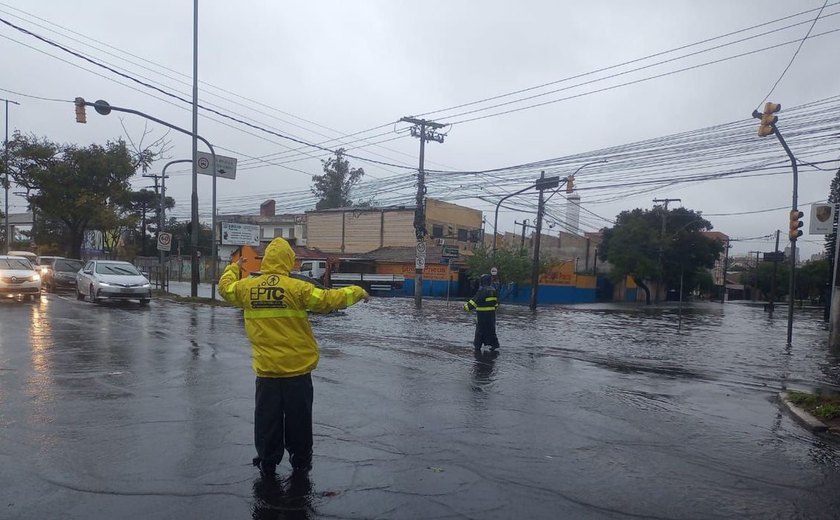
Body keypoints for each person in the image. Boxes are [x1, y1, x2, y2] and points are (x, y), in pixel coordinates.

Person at [219, 237, 369, 479]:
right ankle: (301, 463)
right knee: (299, 420)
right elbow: (329, 301)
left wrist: (233, 267)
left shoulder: (247, 288)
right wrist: (357, 291)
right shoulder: (297, 287)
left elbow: (225, 289)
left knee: (267, 419)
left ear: (266, 261)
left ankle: (267, 461)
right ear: (288, 261)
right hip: (297, 371)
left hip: (266, 371)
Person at [463, 274, 500, 352]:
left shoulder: (482, 290)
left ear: (483, 281)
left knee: (480, 330)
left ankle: (477, 346)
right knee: (491, 329)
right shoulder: (493, 290)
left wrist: (466, 307)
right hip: (491, 315)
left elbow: (474, 301)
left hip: (482, 314)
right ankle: (494, 344)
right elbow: (497, 303)